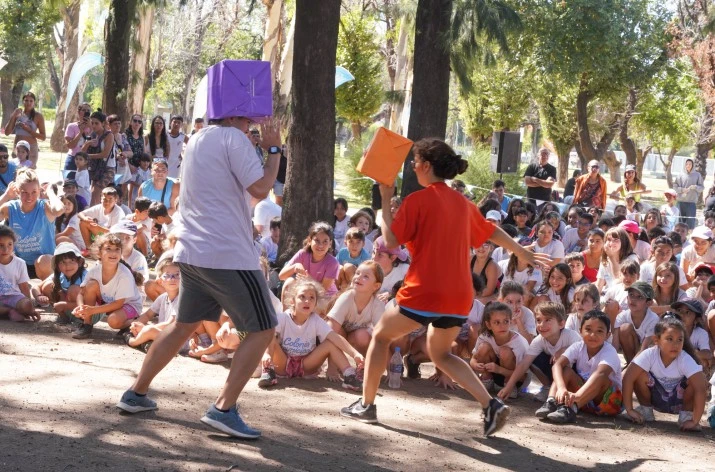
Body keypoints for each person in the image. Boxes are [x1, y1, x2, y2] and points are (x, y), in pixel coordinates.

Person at [339, 137, 551, 436]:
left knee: (380, 337)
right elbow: (492, 232)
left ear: (426, 165)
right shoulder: (464, 204)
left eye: (414, 162)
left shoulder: (417, 200)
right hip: (458, 294)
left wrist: (384, 200)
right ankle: (490, 404)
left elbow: (389, 241)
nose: (413, 166)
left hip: (424, 289)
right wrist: (523, 251)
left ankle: (367, 404)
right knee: (441, 354)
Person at [116, 110, 283, 440]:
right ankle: (223, 410)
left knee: (182, 326)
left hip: (192, 252)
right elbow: (263, 188)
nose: (255, 121)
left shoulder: (199, 138)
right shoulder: (233, 138)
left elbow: (234, 193)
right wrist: (275, 150)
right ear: (241, 113)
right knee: (264, 329)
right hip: (227, 256)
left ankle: (136, 394)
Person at [259, 279, 364, 390]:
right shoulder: (283, 318)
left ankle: (349, 375)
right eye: (302, 297)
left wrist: (355, 353)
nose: (307, 301)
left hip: (307, 364)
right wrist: (267, 354)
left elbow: (335, 337)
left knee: (330, 342)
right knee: (271, 335)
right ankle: (268, 371)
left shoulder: (316, 320)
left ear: (315, 304)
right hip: (283, 363)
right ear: (292, 301)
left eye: (311, 298)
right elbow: (267, 336)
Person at [622, 315, 708, 431]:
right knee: (639, 374)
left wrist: (695, 421)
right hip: (655, 399)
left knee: (698, 379)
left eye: (680, 340)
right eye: (669, 339)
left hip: (679, 402)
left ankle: (687, 416)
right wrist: (629, 410)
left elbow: (700, 389)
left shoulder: (685, 359)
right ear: (657, 340)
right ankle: (645, 410)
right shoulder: (650, 354)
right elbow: (628, 378)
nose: (675, 345)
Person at [539, 310, 623, 423]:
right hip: (582, 398)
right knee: (565, 369)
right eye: (588, 330)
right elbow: (557, 365)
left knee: (601, 377)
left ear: (607, 335)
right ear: (580, 332)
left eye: (599, 331)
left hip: (606, 401)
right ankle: (551, 401)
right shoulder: (578, 346)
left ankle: (570, 408)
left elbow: (601, 374)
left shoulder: (609, 351)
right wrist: (561, 387)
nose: (593, 335)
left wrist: (577, 396)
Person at [497, 302, 582, 403]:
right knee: (531, 359)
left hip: (575, 377)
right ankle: (548, 387)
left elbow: (583, 352)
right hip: (556, 373)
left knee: (563, 359)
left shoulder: (571, 336)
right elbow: (524, 364)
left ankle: (561, 392)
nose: (542, 325)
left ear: (561, 324)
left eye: (548, 320)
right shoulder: (539, 340)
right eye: (538, 320)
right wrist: (509, 387)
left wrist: (565, 350)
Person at [71, 234, 144, 339]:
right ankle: (87, 325)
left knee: (113, 321)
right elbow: (81, 293)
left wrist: (92, 310)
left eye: (117, 249)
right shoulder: (94, 271)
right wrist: (81, 308)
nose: (113, 253)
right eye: (108, 249)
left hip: (129, 305)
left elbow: (119, 303)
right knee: (91, 285)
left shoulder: (124, 275)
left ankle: (133, 322)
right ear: (99, 253)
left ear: (121, 252)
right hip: (109, 302)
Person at [0, 169, 65, 280]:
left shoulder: (44, 207)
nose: (29, 197)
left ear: (39, 191)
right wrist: (6, 195)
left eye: (34, 192)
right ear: (18, 192)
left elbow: (59, 210)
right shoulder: (11, 208)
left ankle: (48, 288)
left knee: (42, 261)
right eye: (24, 192)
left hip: (45, 263)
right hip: (20, 263)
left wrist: (50, 192)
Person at [470, 303, 530, 399]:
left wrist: (498, 369)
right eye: (497, 322)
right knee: (483, 347)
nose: (502, 326)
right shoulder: (485, 336)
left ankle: (509, 386)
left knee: (505, 351)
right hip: (494, 372)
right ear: (488, 325)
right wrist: (476, 365)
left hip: (515, 379)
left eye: (505, 321)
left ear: (511, 322)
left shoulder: (519, 343)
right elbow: (473, 359)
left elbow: (523, 376)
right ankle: (487, 379)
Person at [125, 256, 181, 351]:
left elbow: (170, 324)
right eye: (167, 275)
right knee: (141, 328)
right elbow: (147, 315)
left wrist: (144, 328)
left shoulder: (181, 300)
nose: (172, 279)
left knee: (149, 330)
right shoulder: (163, 297)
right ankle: (147, 343)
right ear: (160, 281)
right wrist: (136, 324)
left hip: (178, 340)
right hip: (163, 334)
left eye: (177, 275)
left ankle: (131, 341)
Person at [279, 221, 340, 300]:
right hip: (306, 294)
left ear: (330, 244)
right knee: (289, 282)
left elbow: (323, 290)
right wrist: (295, 266)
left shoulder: (332, 262)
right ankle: (286, 312)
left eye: (325, 241)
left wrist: (309, 279)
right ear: (310, 241)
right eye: (317, 241)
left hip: (325, 298)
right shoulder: (302, 254)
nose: (320, 245)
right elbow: (281, 276)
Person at [36, 242, 88, 324]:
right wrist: (39, 296)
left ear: (80, 262)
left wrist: (64, 305)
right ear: (57, 266)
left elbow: (89, 303)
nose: (67, 266)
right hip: (70, 305)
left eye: (72, 261)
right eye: (63, 262)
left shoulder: (86, 277)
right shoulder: (60, 275)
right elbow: (36, 287)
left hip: (87, 309)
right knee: (48, 286)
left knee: (74, 289)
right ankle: (66, 317)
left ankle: (80, 320)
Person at [613, 281, 660, 363]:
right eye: (631, 295)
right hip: (634, 357)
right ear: (627, 298)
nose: (633, 300)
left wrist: (629, 371)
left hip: (650, 359)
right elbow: (615, 346)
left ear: (649, 303)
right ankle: (630, 364)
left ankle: (632, 369)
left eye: (640, 297)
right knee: (624, 328)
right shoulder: (622, 317)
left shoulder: (653, 319)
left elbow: (644, 348)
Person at [0, 225, 39, 322]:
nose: (6, 249)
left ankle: (11, 311)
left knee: (26, 306)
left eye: (10, 244)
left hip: (14, 297)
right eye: (1, 245)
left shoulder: (20, 263)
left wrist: (30, 308)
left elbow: (24, 287)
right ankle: (9, 311)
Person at [3, 92, 46, 168]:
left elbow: (43, 137)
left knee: (28, 175)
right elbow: (7, 132)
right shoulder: (18, 114)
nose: (28, 103)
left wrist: (29, 130)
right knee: (15, 172)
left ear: (34, 102)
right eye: (26, 100)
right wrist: (13, 116)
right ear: (23, 101)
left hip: (31, 149)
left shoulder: (38, 116)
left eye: (31, 101)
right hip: (17, 148)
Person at [81, 110, 116, 205]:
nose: (94, 125)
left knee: (96, 192)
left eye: (96, 123)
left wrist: (88, 156)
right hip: (95, 169)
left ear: (103, 123)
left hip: (108, 169)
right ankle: (94, 215)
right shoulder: (92, 135)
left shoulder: (109, 135)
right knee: (94, 192)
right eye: (92, 123)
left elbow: (105, 154)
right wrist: (87, 144)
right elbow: (82, 152)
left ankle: (95, 216)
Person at [63, 102, 93, 178]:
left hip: (86, 159)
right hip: (73, 158)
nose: (86, 112)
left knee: (83, 186)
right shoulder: (71, 126)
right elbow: (70, 145)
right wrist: (80, 132)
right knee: (70, 183)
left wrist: (90, 126)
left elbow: (95, 142)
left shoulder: (94, 127)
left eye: (88, 111)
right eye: (83, 110)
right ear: (79, 112)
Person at [674, 158, 704, 230]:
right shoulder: (680, 175)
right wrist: (682, 190)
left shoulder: (697, 175)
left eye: (690, 164)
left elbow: (702, 187)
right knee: (679, 222)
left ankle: (689, 237)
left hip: (691, 203)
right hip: (680, 202)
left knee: (690, 223)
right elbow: (675, 186)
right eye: (687, 164)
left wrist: (695, 187)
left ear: (693, 165)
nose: (688, 165)